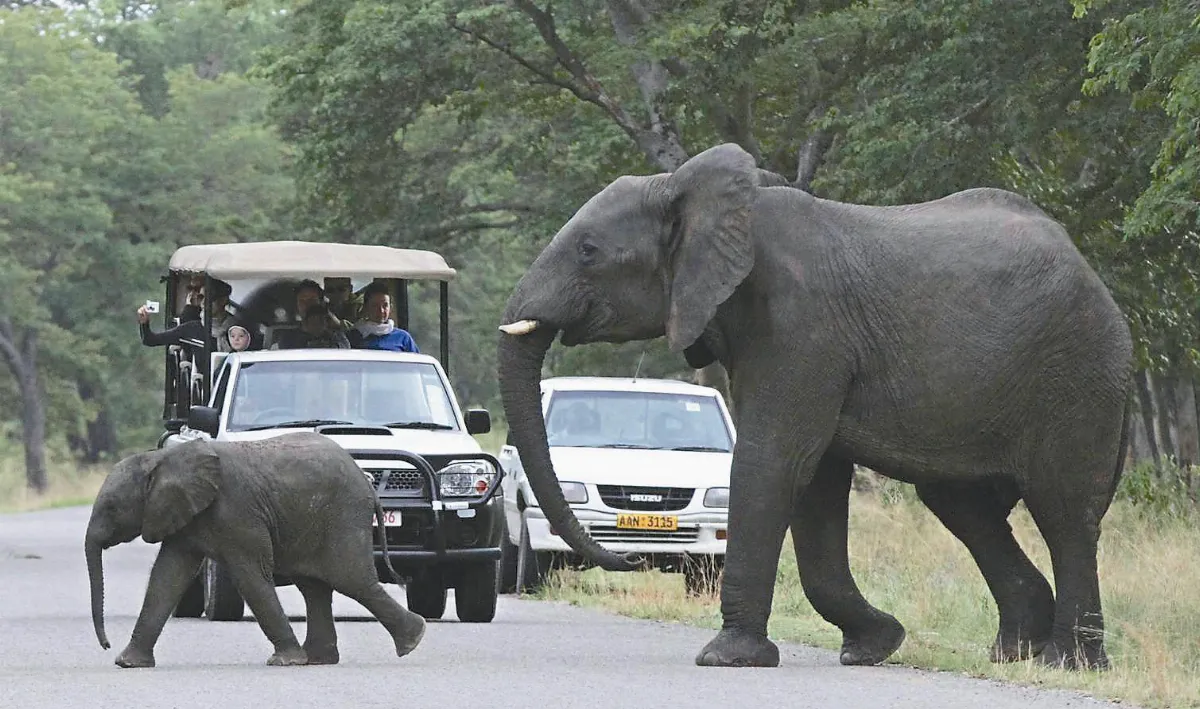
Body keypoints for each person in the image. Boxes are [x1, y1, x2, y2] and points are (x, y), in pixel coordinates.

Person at [137, 278, 236, 352]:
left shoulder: (238, 326)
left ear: (223, 300)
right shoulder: (192, 328)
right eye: (201, 297)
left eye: (210, 298)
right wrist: (144, 323)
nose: (204, 302)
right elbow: (150, 340)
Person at [348, 282, 418, 352]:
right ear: (366, 308)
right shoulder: (353, 336)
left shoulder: (403, 338)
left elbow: (416, 361)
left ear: (391, 308)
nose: (381, 311)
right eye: (375, 306)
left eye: (385, 305)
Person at [278, 305, 350, 349]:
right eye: (315, 322)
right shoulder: (290, 338)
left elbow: (345, 352)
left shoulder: (337, 336)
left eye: (323, 321)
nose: (320, 325)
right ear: (305, 323)